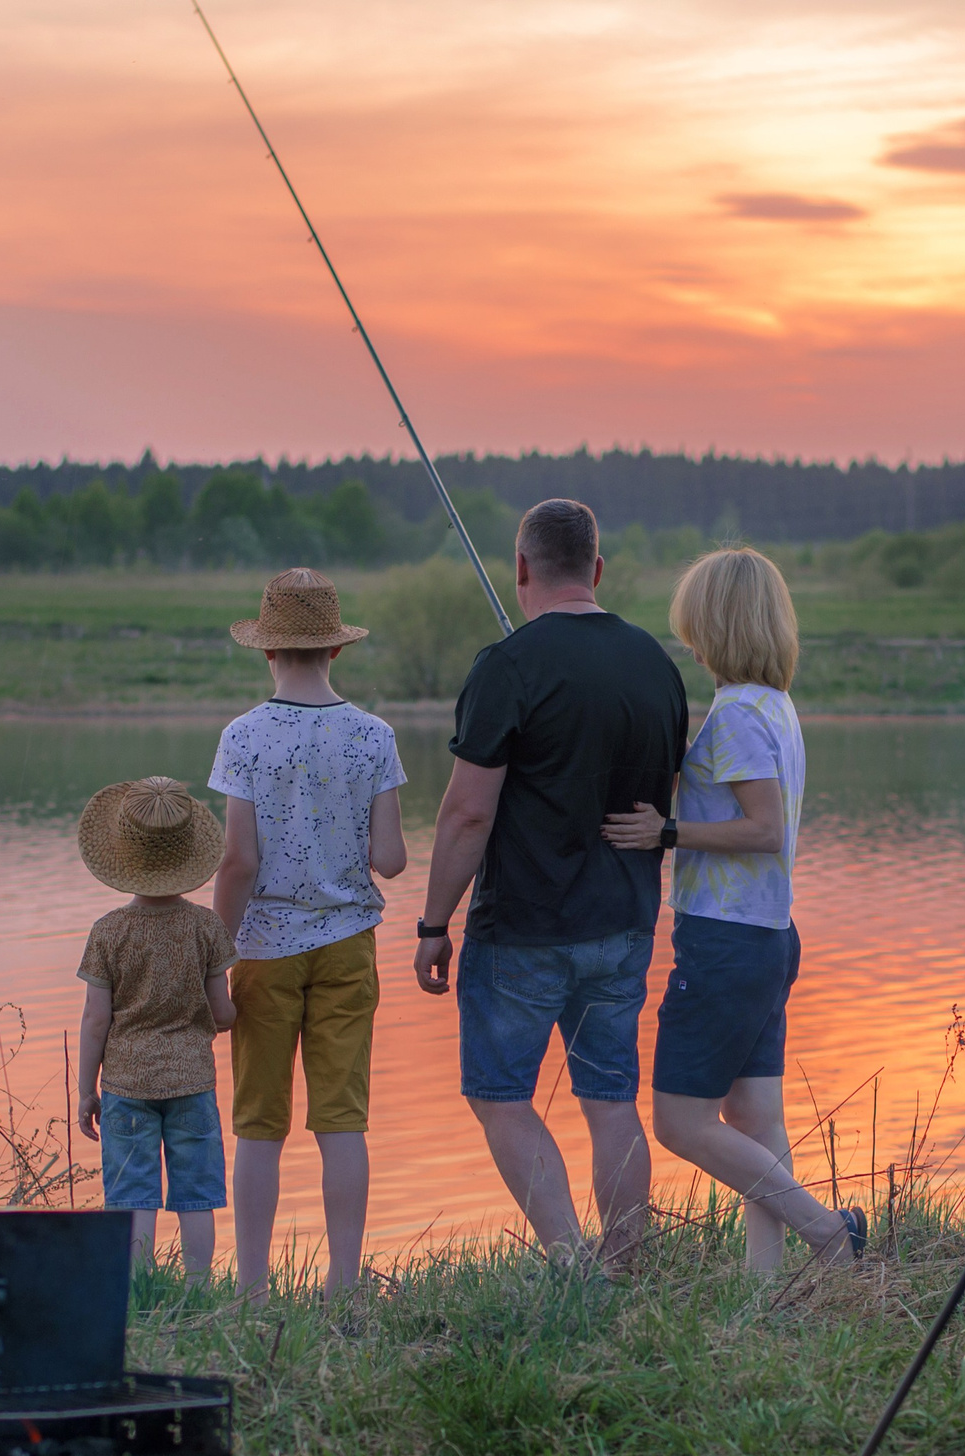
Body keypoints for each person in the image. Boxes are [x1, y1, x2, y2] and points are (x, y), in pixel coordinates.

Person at [413, 497, 686, 1267]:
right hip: (626, 921)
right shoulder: (655, 663)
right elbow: (662, 791)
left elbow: (467, 813)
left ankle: (570, 1263)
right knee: (610, 1100)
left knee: (499, 1095)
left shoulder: (507, 667)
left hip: (524, 930)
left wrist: (435, 923)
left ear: (523, 568)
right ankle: (628, 1261)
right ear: (597, 569)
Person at [604, 548, 860, 1273]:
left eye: (692, 622)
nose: (686, 637)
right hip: (768, 937)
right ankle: (765, 1288)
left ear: (714, 624)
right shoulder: (768, 706)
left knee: (680, 1122)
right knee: (753, 1120)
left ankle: (828, 1231)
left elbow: (763, 827)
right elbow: (738, 792)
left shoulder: (742, 713)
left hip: (727, 942)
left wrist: (668, 830)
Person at [208, 568, 408, 1303]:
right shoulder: (374, 735)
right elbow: (389, 858)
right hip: (349, 942)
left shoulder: (244, 736)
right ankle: (345, 1283)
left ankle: (254, 1289)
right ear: (336, 651)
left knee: (259, 1122)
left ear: (268, 652)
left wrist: (213, 957)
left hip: (262, 946)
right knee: (341, 1118)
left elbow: (237, 862)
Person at [74, 776, 238, 1280]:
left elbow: (95, 1020)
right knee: (196, 1196)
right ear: (190, 855)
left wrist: (85, 1092)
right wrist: (240, 1013)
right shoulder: (207, 927)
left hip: (125, 1084)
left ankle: (139, 1290)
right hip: (192, 1081)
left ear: (124, 858)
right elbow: (222, 1013)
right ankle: (196, 1289)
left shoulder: (108, 932)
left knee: (131, 1194)